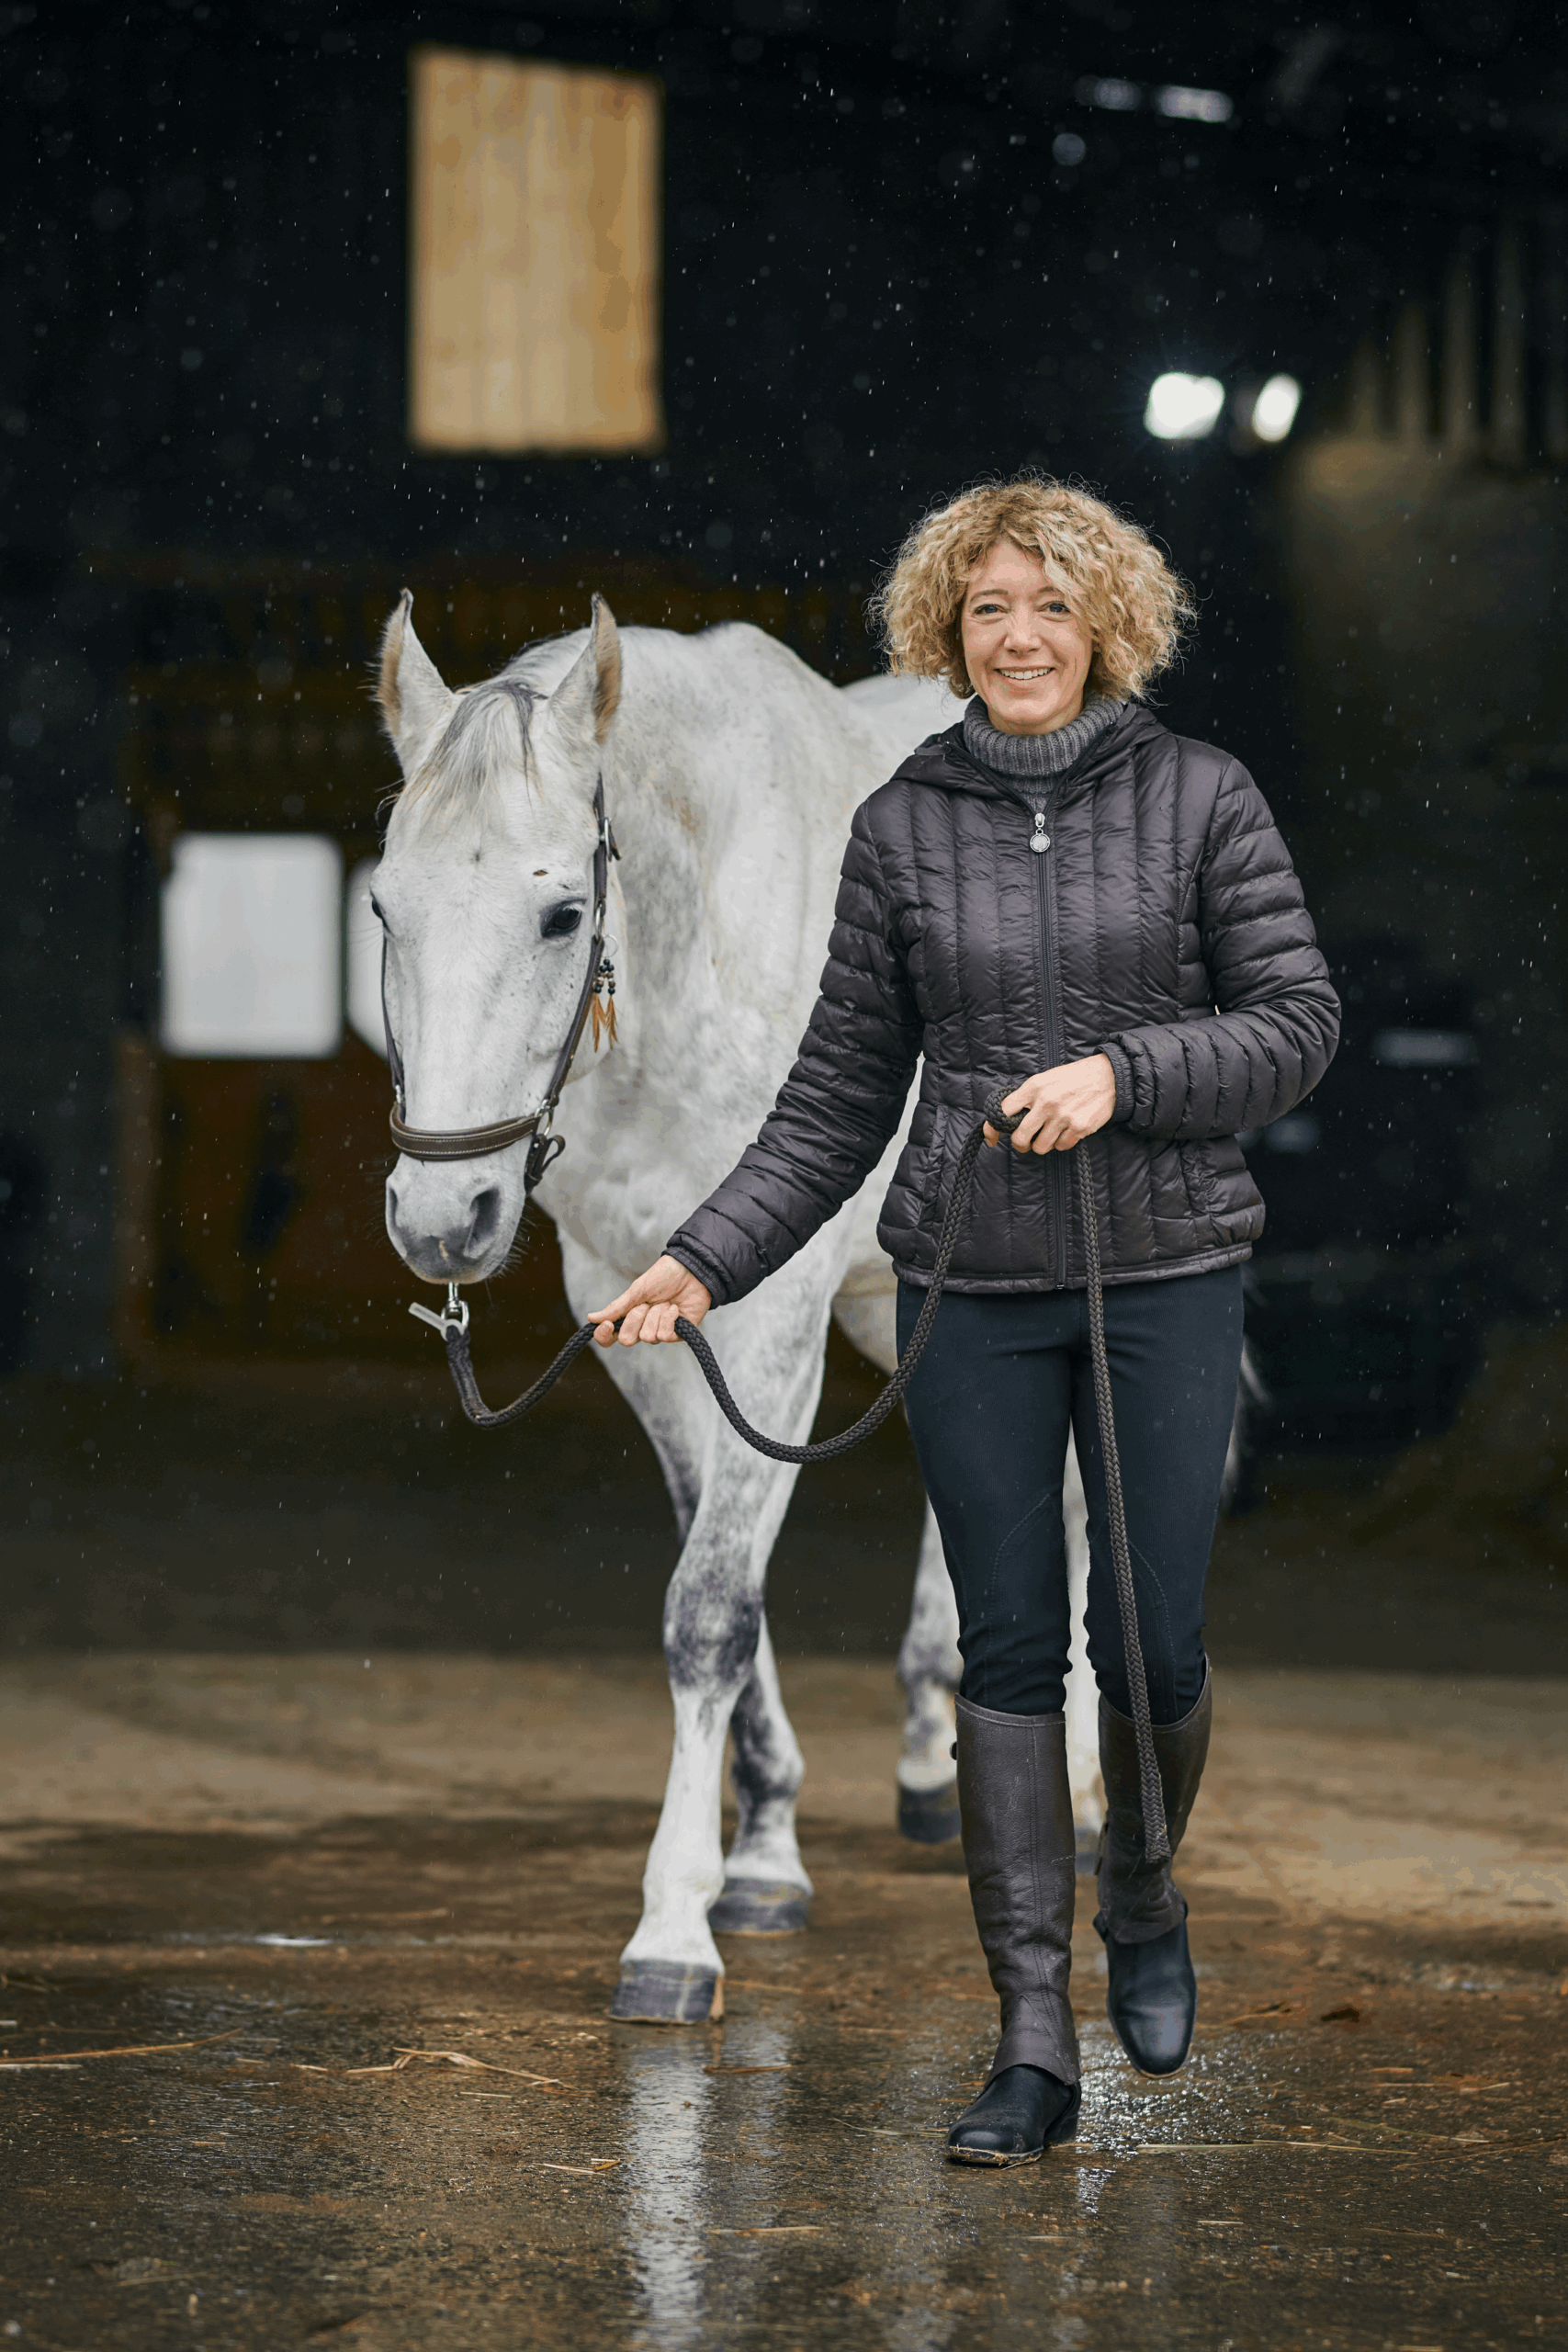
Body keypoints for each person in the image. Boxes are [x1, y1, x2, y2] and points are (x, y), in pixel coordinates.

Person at [589, 474, 1340, 2165]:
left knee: (1145, 1648)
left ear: (1108, 627)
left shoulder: (1202, 797)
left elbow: (1296, 1023)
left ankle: (1138, 1890)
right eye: (988, 608)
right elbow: (832, 1101)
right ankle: (1029, 2039)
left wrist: (1128, 1072)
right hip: (967, 1281)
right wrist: (700, 1259)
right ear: (949, 631)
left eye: (1050, 606)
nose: (1019, 636)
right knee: (1003, 1656)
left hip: (1163, 1265)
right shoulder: (903, 824)